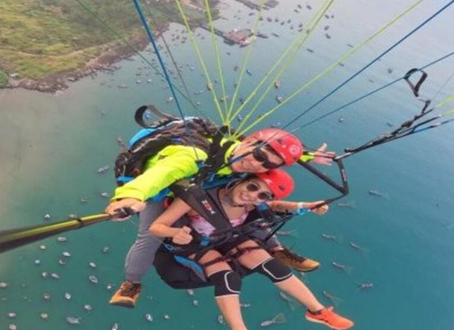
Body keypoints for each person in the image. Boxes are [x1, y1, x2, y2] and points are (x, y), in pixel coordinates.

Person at [108, 128, 326, 308]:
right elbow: (160, 175)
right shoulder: (191, 157)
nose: (256, 164)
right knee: (149, 236)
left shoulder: (241, 153)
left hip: (201, 182)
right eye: (258, 155)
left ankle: (276, 250)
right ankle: (132, 283)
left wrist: (308, 156)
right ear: (249, 141)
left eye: (267, 165)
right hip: (164, 189)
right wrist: (130, 196)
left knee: (248, 206)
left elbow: (271, 158)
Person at [149, 170, 354, 330]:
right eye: (252, 187)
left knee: (274, 266)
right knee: (228, 278)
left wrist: (303, 206)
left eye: (262, 195)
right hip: (196, 243)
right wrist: (175, 233)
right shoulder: (197, 199)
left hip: (226, 238)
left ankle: (317, 311)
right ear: (241, 180)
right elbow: (156, 227)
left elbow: (274, 206)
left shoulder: (251, 203)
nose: (252, 196)